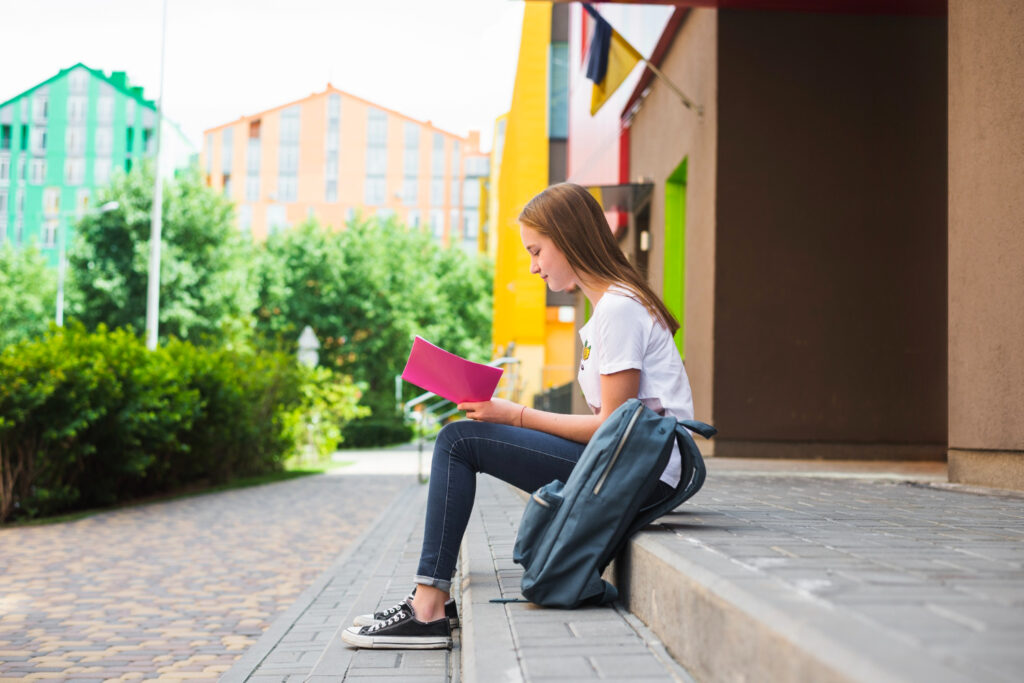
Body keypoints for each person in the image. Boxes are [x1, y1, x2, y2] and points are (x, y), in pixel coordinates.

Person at [342, 182, 694, 649]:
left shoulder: (618, 310)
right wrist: (506, 415)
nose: (533, 266)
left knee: (458, 442)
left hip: (643, 476)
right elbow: (616, 428)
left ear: (568, 240)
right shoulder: (612, 307)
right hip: (631, 466)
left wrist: (516, 415)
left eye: (537, 250)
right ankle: (427, 602)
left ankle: (427, 609)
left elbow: (614, 428)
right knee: (464, 437)